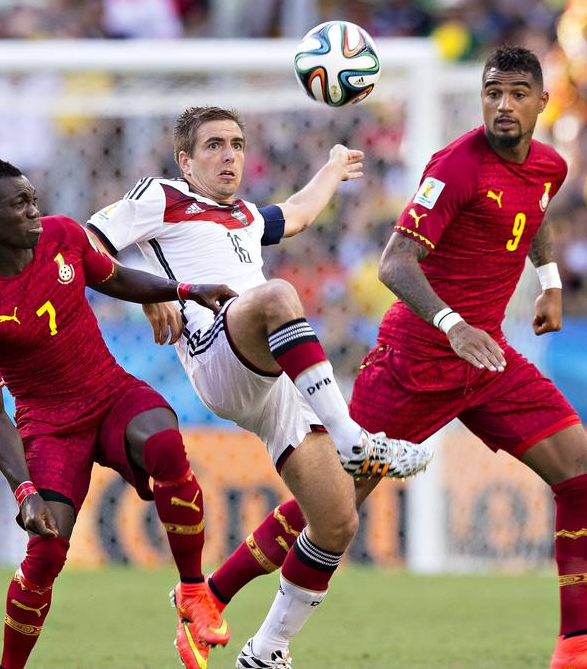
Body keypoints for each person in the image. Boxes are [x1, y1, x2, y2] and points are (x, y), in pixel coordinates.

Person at [205, 47, 587, 669]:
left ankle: (576, 647)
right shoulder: (456, 165)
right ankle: (212, 596)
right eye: (493, 93)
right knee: (332, 506)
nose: (504, 105)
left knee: (582, 474)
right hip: (414, 359)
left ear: (543, 102)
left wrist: (549, 280)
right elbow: (394, 263)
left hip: (486, 358)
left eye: (518, 93)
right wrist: (452, 324)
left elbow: (536, 211)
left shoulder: (550, 165)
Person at [84, 107, 432, 668]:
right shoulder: (161, 196)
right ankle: (353, 439)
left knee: (337, 521)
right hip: (218, 353)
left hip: (274, 379)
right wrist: (151, 294)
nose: (229, 155)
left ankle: (266, 649)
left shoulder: (245, 215)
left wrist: (333, 167)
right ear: (185, 161)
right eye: (214, 145)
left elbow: (297, 213)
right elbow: (84, 242)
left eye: (237, 144)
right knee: (277, 295)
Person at [0, 158, 235, 669]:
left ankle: (193, 591)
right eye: (20, 204)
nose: (34, 212)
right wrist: (25, 491)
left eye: (34, 199)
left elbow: (116, 279)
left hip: (109, 393)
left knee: (166, 444)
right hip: (50, 427)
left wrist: (184, 290)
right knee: (46, 553)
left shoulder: (63, 235)